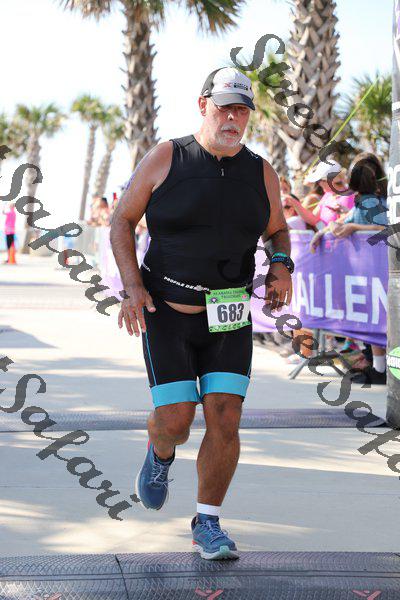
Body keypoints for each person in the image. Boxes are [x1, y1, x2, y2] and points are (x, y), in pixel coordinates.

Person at [110, 66, 294, 561]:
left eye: (242, 110)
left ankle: (207, 522)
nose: (232, 118)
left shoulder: (261, 171)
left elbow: (278, 229)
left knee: (225, 417)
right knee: (176, 420)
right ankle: (161, 450)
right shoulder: (167, 156)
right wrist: (132, 286)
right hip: (167, 311)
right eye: (223, 107)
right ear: (203, 105)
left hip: (229, 315)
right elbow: (122, 220)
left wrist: (281, 264)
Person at [310, 153, 388, 385]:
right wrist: (323, 231)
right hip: (367, 272)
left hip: (375, 272)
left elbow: (385, 227)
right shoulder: (366, 201)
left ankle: (380, 369)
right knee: (372, 321)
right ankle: (376, 365)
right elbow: (344, 221)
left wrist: (353, 227)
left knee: (376, 321)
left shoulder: (371, 202)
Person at [284, 161, 356, 228]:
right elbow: (313, 219)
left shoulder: (347, 197)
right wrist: (293, 201)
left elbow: (342, 225)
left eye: (319, 180)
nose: (319, 184)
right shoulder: (328, 195)